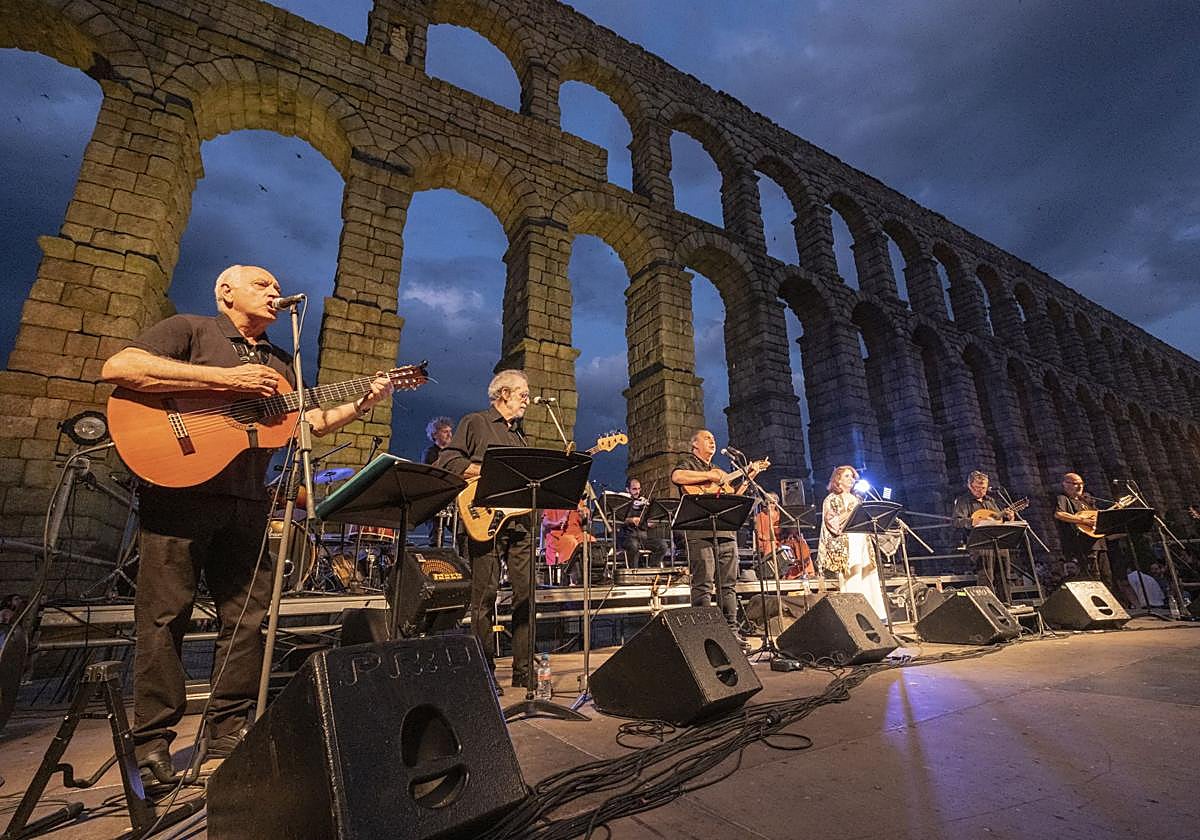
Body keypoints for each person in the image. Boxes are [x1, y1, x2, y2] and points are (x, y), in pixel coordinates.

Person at [101, 265, 393, 787]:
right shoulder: (190, 329)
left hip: (247, 499)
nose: (275, 291)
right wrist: (224, 378)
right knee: (166, 616)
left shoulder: (282, 361)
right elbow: (121, 367)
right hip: (178, 492)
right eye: (263, 284)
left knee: (249, 620)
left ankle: (228, 729)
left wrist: (360, 402)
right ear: (225, 291)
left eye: (278, 286)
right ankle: (152, 742)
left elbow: (305, 421)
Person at [435, 370, 532, 692]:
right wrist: (490, 471)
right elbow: (448, 461)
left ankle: (524, 671)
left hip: (519, 524)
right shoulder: (475, 422)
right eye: (523, 395)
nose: (527, 400)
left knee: (526, 596)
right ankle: (485, 671)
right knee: (484, 597)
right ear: (504, 393)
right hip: (484, 518)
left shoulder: (520, 435)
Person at [670, 429, 762, 648]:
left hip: (725, 532)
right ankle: (703, 631)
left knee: (728, 584)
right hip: (699, 532)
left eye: (713, 438)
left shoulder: (719, 471)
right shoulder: (688, 463)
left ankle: (731, 630)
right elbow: (677, 477)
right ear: (695, 445)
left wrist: (749, 478)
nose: (712, 441)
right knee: (703, 583)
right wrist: (709, 476)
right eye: (707, 438)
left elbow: (733, 499)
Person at [817, 465, 886, 620]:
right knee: (852, 576)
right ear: (838, 480)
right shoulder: (831, 499)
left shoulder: (857, 499)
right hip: (846, 543)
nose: (852, 479)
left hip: (862, 540)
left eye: (852, 476)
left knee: (867, 575)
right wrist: (851, 513)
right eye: (847, 476)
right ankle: (854, 614)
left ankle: (874, 614)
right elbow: (832, 524)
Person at [951, 471, 1014, 600]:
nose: (980, 491)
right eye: (977, 487)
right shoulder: (963, 501)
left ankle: (1007, 603)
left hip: (998, 543)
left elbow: (998, 521)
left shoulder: (991, 501)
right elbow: (956, 521)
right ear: (969, 485)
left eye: (983, 488)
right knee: (986, 576)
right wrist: (972, 521)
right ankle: (989, 605)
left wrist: (1009, 518)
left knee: (1003, 575)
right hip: (980, 544)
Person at [1052, 472, 1114, 590]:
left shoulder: (1086, 501)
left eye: (1081, 483)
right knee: (1093, 575)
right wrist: (1083, 520)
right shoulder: (1063, 498)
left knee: (1107, 576)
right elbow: (1059, 514)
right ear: (1065, 484)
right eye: (1075, 484)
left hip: (1099, 543)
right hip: (1084, 544)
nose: (1079, 486)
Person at [617, 478, 670, 567]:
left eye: (639, 489)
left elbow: (649, 523)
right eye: (634, 489)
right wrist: (631, 520)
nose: (637, 492)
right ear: (627, 490)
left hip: (643, 539)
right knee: (633, 545)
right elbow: (618, 519)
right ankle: (633, 571)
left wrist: (654, 522)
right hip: (628, 538)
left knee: (662, 545)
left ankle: (651, 567)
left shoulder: (644, 503)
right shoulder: (624, 503)